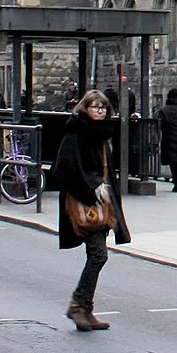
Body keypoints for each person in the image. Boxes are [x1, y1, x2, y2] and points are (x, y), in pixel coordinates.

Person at [54, 90, 130, 332]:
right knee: (99, 255)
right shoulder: (76, 133)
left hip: (100, 203)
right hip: (85, 202)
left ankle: (84, 308)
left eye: (104, 107)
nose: (100, 111)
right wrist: (91, 187)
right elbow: (64, 169)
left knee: (96, 255)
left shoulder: (100, 133)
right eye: (95, 107)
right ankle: (79, 305)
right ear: (84, 108)